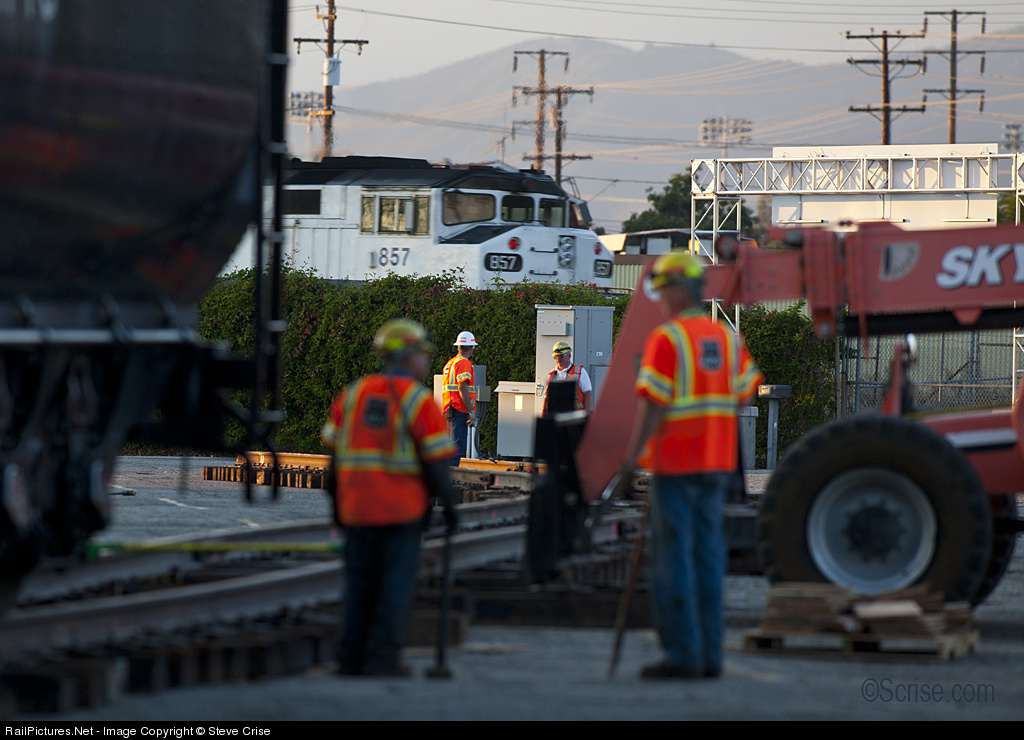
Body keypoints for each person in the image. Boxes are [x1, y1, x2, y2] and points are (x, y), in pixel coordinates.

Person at [618, 252, 761, 680]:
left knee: (673, 560)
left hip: (676, 465)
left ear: (679, 290)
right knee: (708, 557)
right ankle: (710, 655)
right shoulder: (726, 338)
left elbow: (652, 406)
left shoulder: (668, 339)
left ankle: (683, 655)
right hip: (716, 464)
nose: (661, 299)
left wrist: (630, 461)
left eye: (663, 291)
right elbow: (745, 394)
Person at [321, 319, 459, 677]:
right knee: (395, 586)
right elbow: (436, 466)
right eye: (423, 354)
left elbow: (334, 462)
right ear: (408, 356)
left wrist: (336, 507)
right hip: (401, 512)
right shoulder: (419, 401)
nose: (426, 360)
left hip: (356, 510)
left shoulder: (354, 394)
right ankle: (383, 659)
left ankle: (349, 658)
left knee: (357, 585)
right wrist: (450, 506)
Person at [442, 330, 478, 466]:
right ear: (472, 347)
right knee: (457, 448)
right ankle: (451, 476)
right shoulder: (464, 363)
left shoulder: (450, 363)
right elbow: (462, 387)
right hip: (459, 409)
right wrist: (471, 410)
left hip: (449, 408)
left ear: (458, 346)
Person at [542, 341, 593, 415]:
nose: (558, 359)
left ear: (569, 356)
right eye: (556, 357)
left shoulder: (580, 372)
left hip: (574, 417)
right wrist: (543, 415)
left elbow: (588, 394)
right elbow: (546, 396)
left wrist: (586, 414)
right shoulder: (552, 374)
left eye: (561, 356)